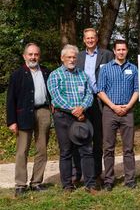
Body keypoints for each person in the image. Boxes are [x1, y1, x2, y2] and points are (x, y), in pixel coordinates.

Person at [47, 44, 97, 193]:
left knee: (87, 150)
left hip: (81, 117)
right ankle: (67, 185)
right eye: (69, 57)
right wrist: (73, 109)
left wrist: (82, 108)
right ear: (62, 58)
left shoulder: (82, 74)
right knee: (66, 151)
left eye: (74, 57)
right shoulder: (55, 75)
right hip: (63, 117)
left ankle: (90, 184)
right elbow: (56, 97)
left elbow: (89, 94)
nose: (72, 59)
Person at [6, 43, 51, 197]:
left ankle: (36, 182)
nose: (33, 57)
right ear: (24, 56)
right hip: (23, 115)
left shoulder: (46, 72)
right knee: (21, 151)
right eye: (30, 54)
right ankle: (20, 184)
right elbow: (10, 99)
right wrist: (12, 121)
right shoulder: (17, 74)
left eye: (36, 54)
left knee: (42, 149)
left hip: (43, 112)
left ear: (39, 55)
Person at [97, 40, 139, 191]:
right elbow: (100, 91)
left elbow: (137, 90)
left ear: (127, 51)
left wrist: (128, 106)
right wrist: (113, 106)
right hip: (110, 111)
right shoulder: (106, 69)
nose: (121, 52)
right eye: (118, 49)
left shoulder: (133, 69)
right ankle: (108, 179)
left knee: (128, 148)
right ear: (114, 51)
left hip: (128, 111)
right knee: (108, 148)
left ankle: (130, 179)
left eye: (124, 49)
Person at [74, 28, 113, 183]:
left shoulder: (107, 55)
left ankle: (96, 174)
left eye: (92, 38)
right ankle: (77, 174)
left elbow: (112, 76)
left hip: (100, 100)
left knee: (98, 138)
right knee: (79, 136)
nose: (90, 40)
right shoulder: (78, 57)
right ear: (84, 40)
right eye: (87, 38)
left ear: (97, 39)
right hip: (82, 100)